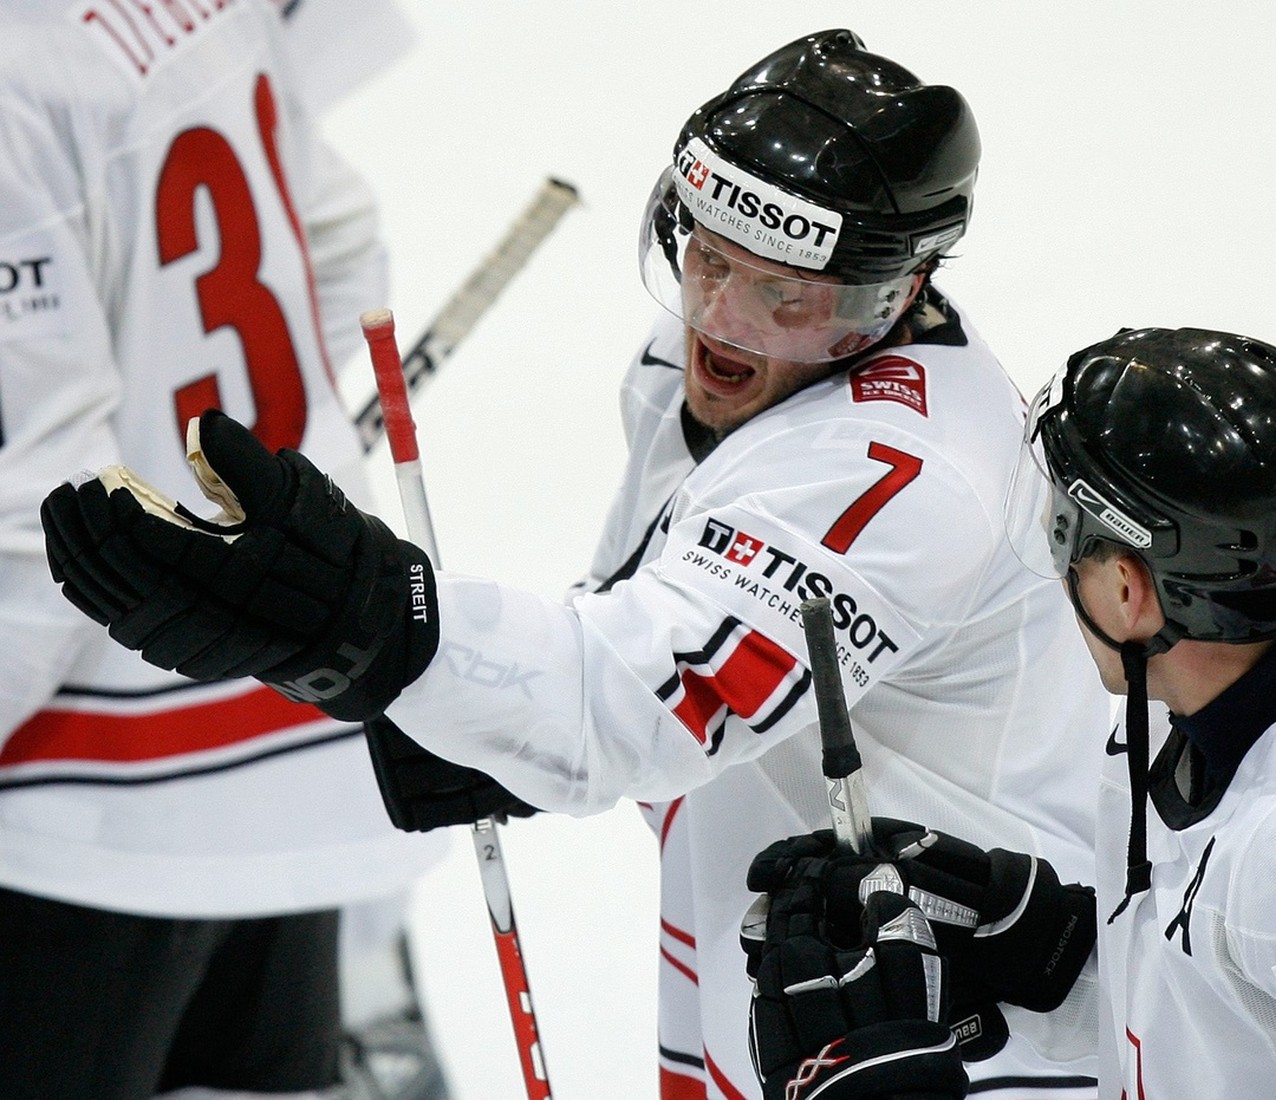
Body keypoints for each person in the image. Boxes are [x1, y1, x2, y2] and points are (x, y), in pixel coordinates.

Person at [36, 29, 1117, 1098]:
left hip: (963, 1029)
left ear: (901, 290)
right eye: (706, 257)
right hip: (793, 964)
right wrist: (482, 704)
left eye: (787, 293)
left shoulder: (907, 474)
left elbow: (635, 704)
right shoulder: (695, 367)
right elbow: (629, 622)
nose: (722, 322)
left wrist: (378, 618)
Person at [743, 326, 1276, 1098]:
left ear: (1129, 593)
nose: (1056, 571)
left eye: (1062, 537)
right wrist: (1053, 957)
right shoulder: (1194, 712)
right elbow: (1247, 1025)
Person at [0, 1, 449, 1097]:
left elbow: (42, 513)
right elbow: (341, 240)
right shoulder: (207, 11)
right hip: (289, 745)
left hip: (87, 818)